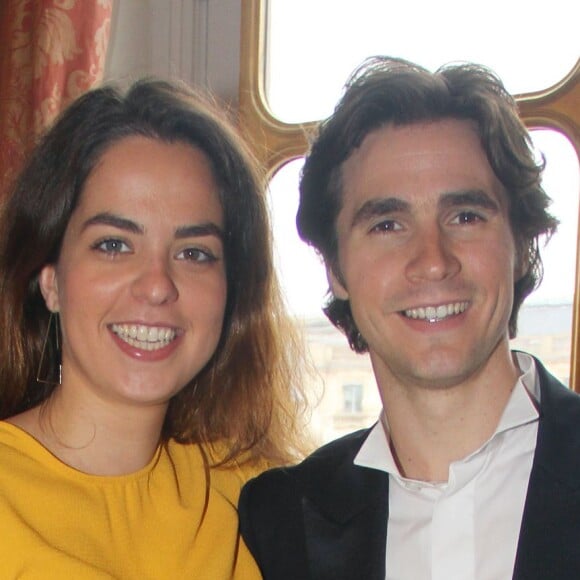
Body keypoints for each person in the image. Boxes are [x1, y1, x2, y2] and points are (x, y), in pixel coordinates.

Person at [239, 56, 580, 579]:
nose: (433, 260)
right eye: (388, 224)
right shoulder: (282, 524)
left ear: (520, 244)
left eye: (465, 216)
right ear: (336, 270)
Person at [0, 78, 306, 578]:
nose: (158, 285)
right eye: (114, 245)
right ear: (50, 280)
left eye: (194, 253)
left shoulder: (256, 495)